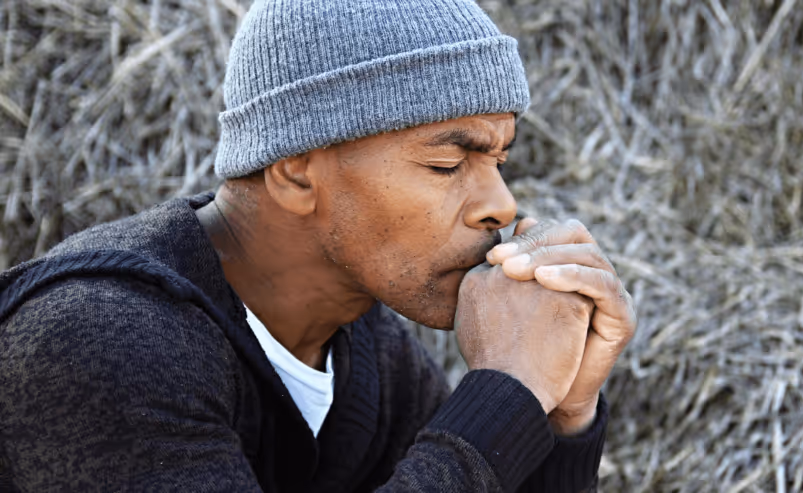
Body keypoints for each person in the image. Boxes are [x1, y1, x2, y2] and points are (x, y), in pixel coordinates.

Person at [0, 0, 636, 491]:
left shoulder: (374, 353)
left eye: (498, 159)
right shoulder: (95, 342)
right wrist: (502, 394)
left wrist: (557, 415)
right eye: (448, 163)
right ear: (297, 171)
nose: (501, 204)